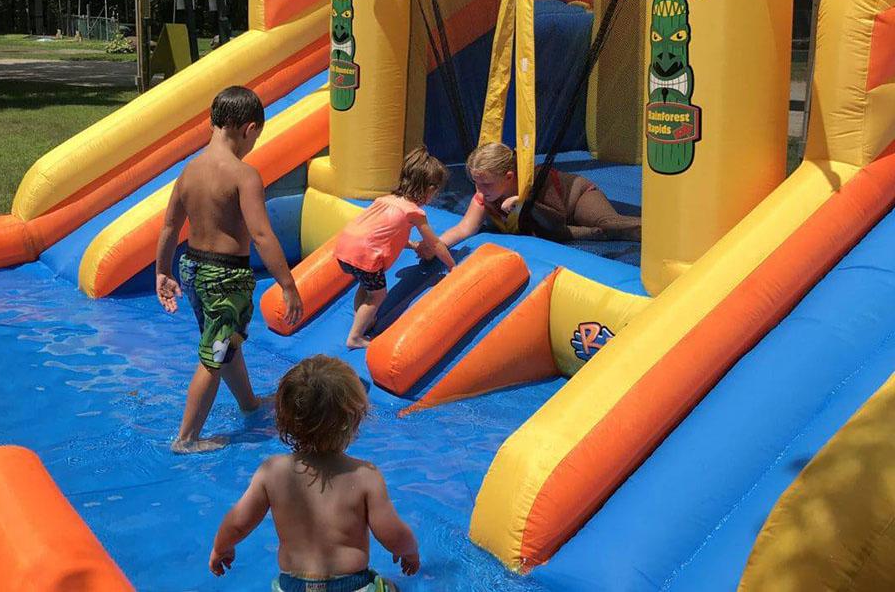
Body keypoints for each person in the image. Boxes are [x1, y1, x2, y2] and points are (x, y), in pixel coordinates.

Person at [156, 86, 303, 454]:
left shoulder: (188, 171)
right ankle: (186, 439)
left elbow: (170, 228)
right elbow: (261, 233)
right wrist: (287, 283)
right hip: (226, 277)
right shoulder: (243, 175)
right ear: (249, 129)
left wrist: (162, 271)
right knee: (214, 354)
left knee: (225, 340)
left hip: (191, 269)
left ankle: (249, 404)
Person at [209, 355, 419, 592]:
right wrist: (409, 551)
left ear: (284, 419)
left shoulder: (272, 472)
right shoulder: (365, 476)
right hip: (351, 587)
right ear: (353, 420)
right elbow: (392, 534)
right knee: (392, 588)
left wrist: (221, 547)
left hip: (292, 587)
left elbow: (237, 523)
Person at [334, 147, 455, 349]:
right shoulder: (414, 212)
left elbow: (380, 236)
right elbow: (435, 243)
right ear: (430, 190)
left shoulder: (384, 200)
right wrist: (452, 266)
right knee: (378, 295)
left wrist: (412, 245)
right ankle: (355, 337)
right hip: (365, 255)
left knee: (366, 285)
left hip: (345, 249)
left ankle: (363, 318)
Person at [431, 142, 641, 253]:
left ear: (509, 177)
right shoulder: (484, 195)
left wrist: (523, 203)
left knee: (607, 223)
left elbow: (557, 220)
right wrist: (437, 244)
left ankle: (656, 232)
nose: (480, 189)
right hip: (551, 228)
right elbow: (464, 228)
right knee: (595, 232)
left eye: (486, 183)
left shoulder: (534, 180)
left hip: (576, 198)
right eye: (476, 182)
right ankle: (597, 232)